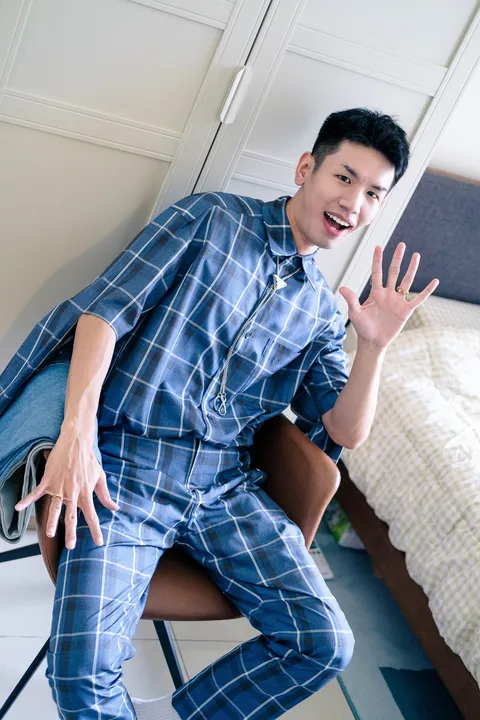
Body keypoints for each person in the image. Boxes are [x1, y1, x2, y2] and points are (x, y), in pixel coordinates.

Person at [8, 108, 438, 719]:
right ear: (306, 168)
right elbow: (103, 315)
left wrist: (372, 348)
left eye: (373, 193)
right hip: (127, 467)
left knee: (324, 643)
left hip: (225, 492)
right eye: (344, 178)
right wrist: (77, 435)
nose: (353, 203)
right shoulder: (210, 220)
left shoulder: (322, 312)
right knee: (80, 675)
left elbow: (344, 430)